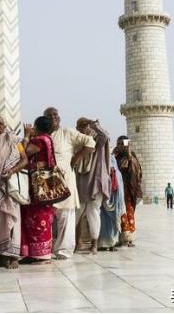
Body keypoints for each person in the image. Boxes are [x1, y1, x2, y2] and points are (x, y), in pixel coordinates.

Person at [43, 107, 95, 259]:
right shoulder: (44, 135)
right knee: (48, 215)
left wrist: (77, 157)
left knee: (66, 215)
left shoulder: (67, 132)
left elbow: (90, 142)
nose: (53, 117)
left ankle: (64, 250)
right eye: (49, 115)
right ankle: (48, 248)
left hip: (65, 180)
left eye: (55, 114)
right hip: (47, 181)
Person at [0, 114, 28, 269]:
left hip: (8, 187)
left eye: (0, 123)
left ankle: (13, 257)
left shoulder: (14, 140)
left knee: (11, 219)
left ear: (4, 126)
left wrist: (12, 170)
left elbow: (24, 159)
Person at [20, 116, 56, 264]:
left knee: (37, 217)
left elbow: (22, 152)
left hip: (38, 184)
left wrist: (27, 136)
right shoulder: (48, 139)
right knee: (41, 216)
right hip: (46, 183)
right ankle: (35, 253)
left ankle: (42, 255)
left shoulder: (39, 140)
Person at [74, 118, 109, 255]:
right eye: (78, 126)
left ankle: (94, 244)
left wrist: (94, 123)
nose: (80, 129)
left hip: (96, 181)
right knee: (76, 213)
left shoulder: (97, 141)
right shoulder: (78, 142)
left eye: (83, 126)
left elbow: (105, 136)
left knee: (93, 213)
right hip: (80, 183)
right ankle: (76, 243)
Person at [114, 136, 142, 247]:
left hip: (128, 189)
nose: (120, 146)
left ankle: (130, 238)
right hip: (118, 189)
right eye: (119, 143)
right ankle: (122, 237)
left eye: (122, 143)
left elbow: (136, 169)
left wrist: (129, 153)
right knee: (120, 213)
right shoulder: (115, 156)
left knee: (129, 212)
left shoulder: (131, 156)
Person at [98, 155, 125, 251]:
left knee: (109, 224)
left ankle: (109, 244)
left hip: (112, 202)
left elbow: (120, 191)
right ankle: (105, 244)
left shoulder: (116, 174)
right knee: (104, 222)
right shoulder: (106, 172)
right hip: (106, 203)